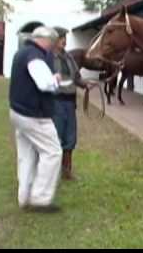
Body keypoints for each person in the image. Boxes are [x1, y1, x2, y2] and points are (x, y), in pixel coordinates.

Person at [9, 26, 63, 212]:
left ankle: (24, 196)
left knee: (26, 154)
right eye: (53, 43)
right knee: (53, 152)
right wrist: (55, 79)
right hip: (34, 115)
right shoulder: (35, 56)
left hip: (18, 113)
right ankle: (40, 198)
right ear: (46, 40)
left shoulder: (22, 52)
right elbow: (44, 83)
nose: (52, 47)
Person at [52, 26, 96, 180]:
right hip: (55, 103)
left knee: (70, 137)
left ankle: (66, 171)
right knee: (55, 137)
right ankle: (51, 173)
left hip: (70, 104)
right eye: (60, 37)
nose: (64, 40)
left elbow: (76, 78)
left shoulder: (69, 58)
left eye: (65, 37)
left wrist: (85, 84)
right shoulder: (47, 58)